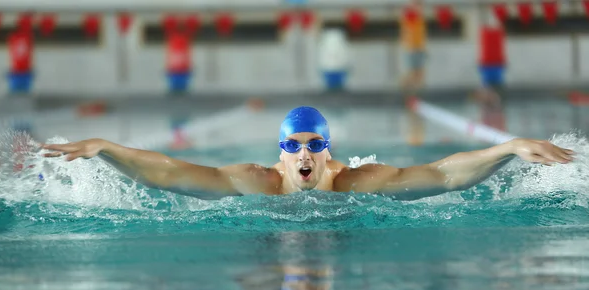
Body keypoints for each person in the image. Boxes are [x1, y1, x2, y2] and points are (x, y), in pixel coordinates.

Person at [42, 106, 575, 201]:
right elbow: (170, 173)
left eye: (314, 146)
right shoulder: (260, 181)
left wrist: (507, 146)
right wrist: (105, 146)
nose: (305, 155)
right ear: (279, 152)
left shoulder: (351, 182)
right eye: (294, 147)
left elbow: (439, 175)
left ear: (328, 152)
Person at [399, 0, 427, 93]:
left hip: (419, 47)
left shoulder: (418, 15)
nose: (420, 7)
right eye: (418, 5)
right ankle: (405, 91)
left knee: (419, 74)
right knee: (413, 73)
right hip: (412, 48)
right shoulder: (410, 14)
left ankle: (413, 93)